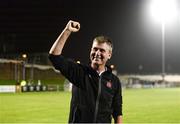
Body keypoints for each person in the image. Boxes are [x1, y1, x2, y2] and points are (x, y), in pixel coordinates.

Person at [49, 20, 123, 123]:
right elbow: (54, 57)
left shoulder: (114, 81)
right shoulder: (79, 72)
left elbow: (117, 111)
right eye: (95, 49)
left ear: (109, 55)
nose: (97, 53)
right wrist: (67, 30)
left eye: (102, 50)